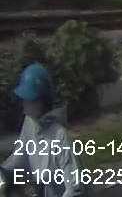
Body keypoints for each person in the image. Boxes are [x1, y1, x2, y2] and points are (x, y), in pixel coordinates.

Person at [2, 63, 83, 197]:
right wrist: (2, 173)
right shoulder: (30, 123)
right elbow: (20, 157)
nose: (24, 103)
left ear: (42, 102)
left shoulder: (59, 135)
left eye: (29, 100)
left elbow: (74, 188)